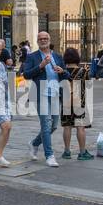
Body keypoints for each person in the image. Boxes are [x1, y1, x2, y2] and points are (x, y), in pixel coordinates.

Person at [23, 31, 65, 167]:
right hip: (40, 93)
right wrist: (40, 66)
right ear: (37, 41)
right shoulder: (32, 57)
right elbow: (26, 75)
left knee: (53, 126)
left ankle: (34, 143)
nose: (43, 40)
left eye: (45, 38)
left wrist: (62, 71)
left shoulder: (57, 57)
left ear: (49, 40)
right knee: (46, 124)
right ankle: (49, 155)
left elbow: (66, 75)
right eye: (40, 38)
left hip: (54, 94)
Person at [59, 47, 94, 160]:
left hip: (66, 102)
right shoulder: (83, 71)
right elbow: (89, 86)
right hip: (79, 102)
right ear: (77, 58)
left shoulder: (61, 72)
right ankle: (82, 152)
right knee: (80, 127)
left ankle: (67, 151)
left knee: (67, 127)